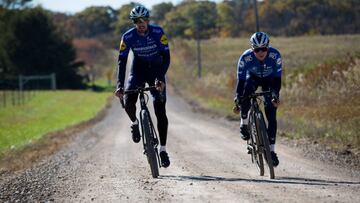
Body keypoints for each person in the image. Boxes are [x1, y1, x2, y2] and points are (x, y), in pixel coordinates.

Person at [114, 5, 171, 168]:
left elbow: (166, 57)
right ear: (133, 23)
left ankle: (163, 149)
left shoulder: (158, 33)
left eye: (144, 20)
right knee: (128, 100)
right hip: (138, 70)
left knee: (160, 108)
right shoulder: (128, 37)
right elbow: (122, 61)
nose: (141, 23)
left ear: (148, 20)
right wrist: (119, 85)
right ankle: (134, 123)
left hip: (156, 69)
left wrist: (160, 78)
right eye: (137, 21)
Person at [233, 32, 282, 167]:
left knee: (271, 113)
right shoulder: (245, 58)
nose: (261, 52)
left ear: (268, 47)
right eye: (257, 50)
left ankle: (271, 151)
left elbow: (277, 80)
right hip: (251, 79)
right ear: (252, 49)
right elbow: (241, 81)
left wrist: (275, 95)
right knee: (245, 92)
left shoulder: (275, 55)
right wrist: (238, 97)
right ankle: (244, 123)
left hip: (269, 80)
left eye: (263, 49)